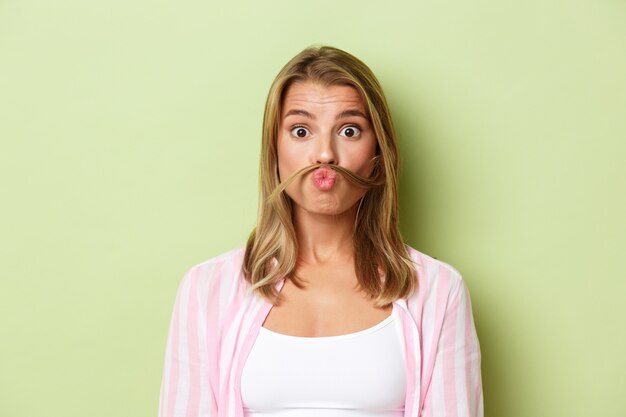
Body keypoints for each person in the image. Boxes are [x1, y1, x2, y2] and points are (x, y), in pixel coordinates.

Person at [158, 45, 483, 417]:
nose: (325, 154)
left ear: (378, 153)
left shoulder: (439, 291)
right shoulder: (206, 289)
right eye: (301, 130)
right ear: (274, 150)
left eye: (349, 130)